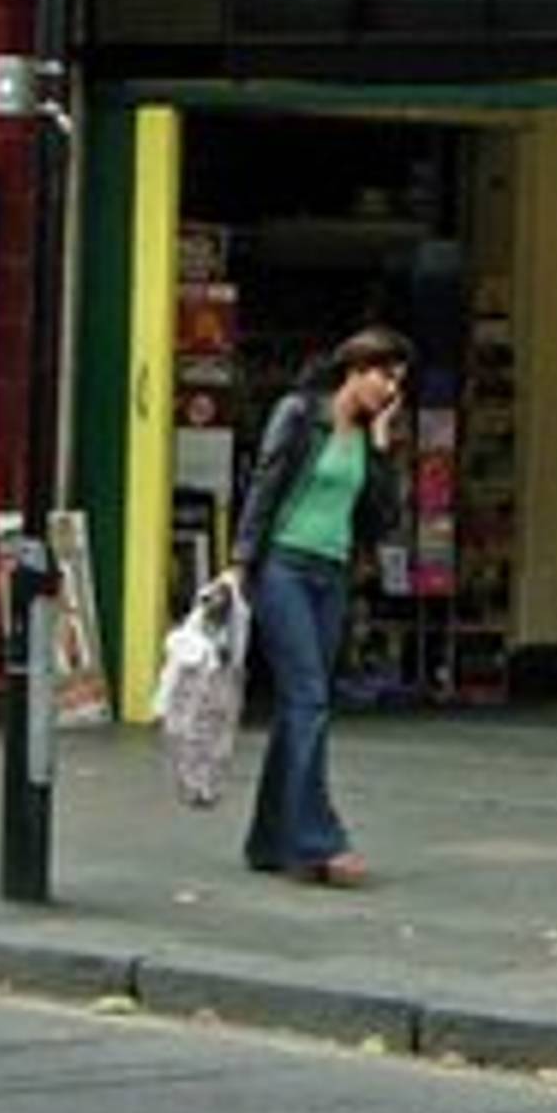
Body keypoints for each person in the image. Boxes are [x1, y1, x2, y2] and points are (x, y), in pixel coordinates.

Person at [218, 324, 414, 886]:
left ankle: (268, 840)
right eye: (383, 375)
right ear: (355, 369)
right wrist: (241, 561)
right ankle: (316, 839)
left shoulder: (367, 435)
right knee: (308, 697)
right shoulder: (301, 414)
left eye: (396, 382)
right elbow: (265, 484)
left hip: (331, 575)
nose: (388, 390)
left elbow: (381, 520)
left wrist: (380, 446)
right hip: (283, 567)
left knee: (301, 704)